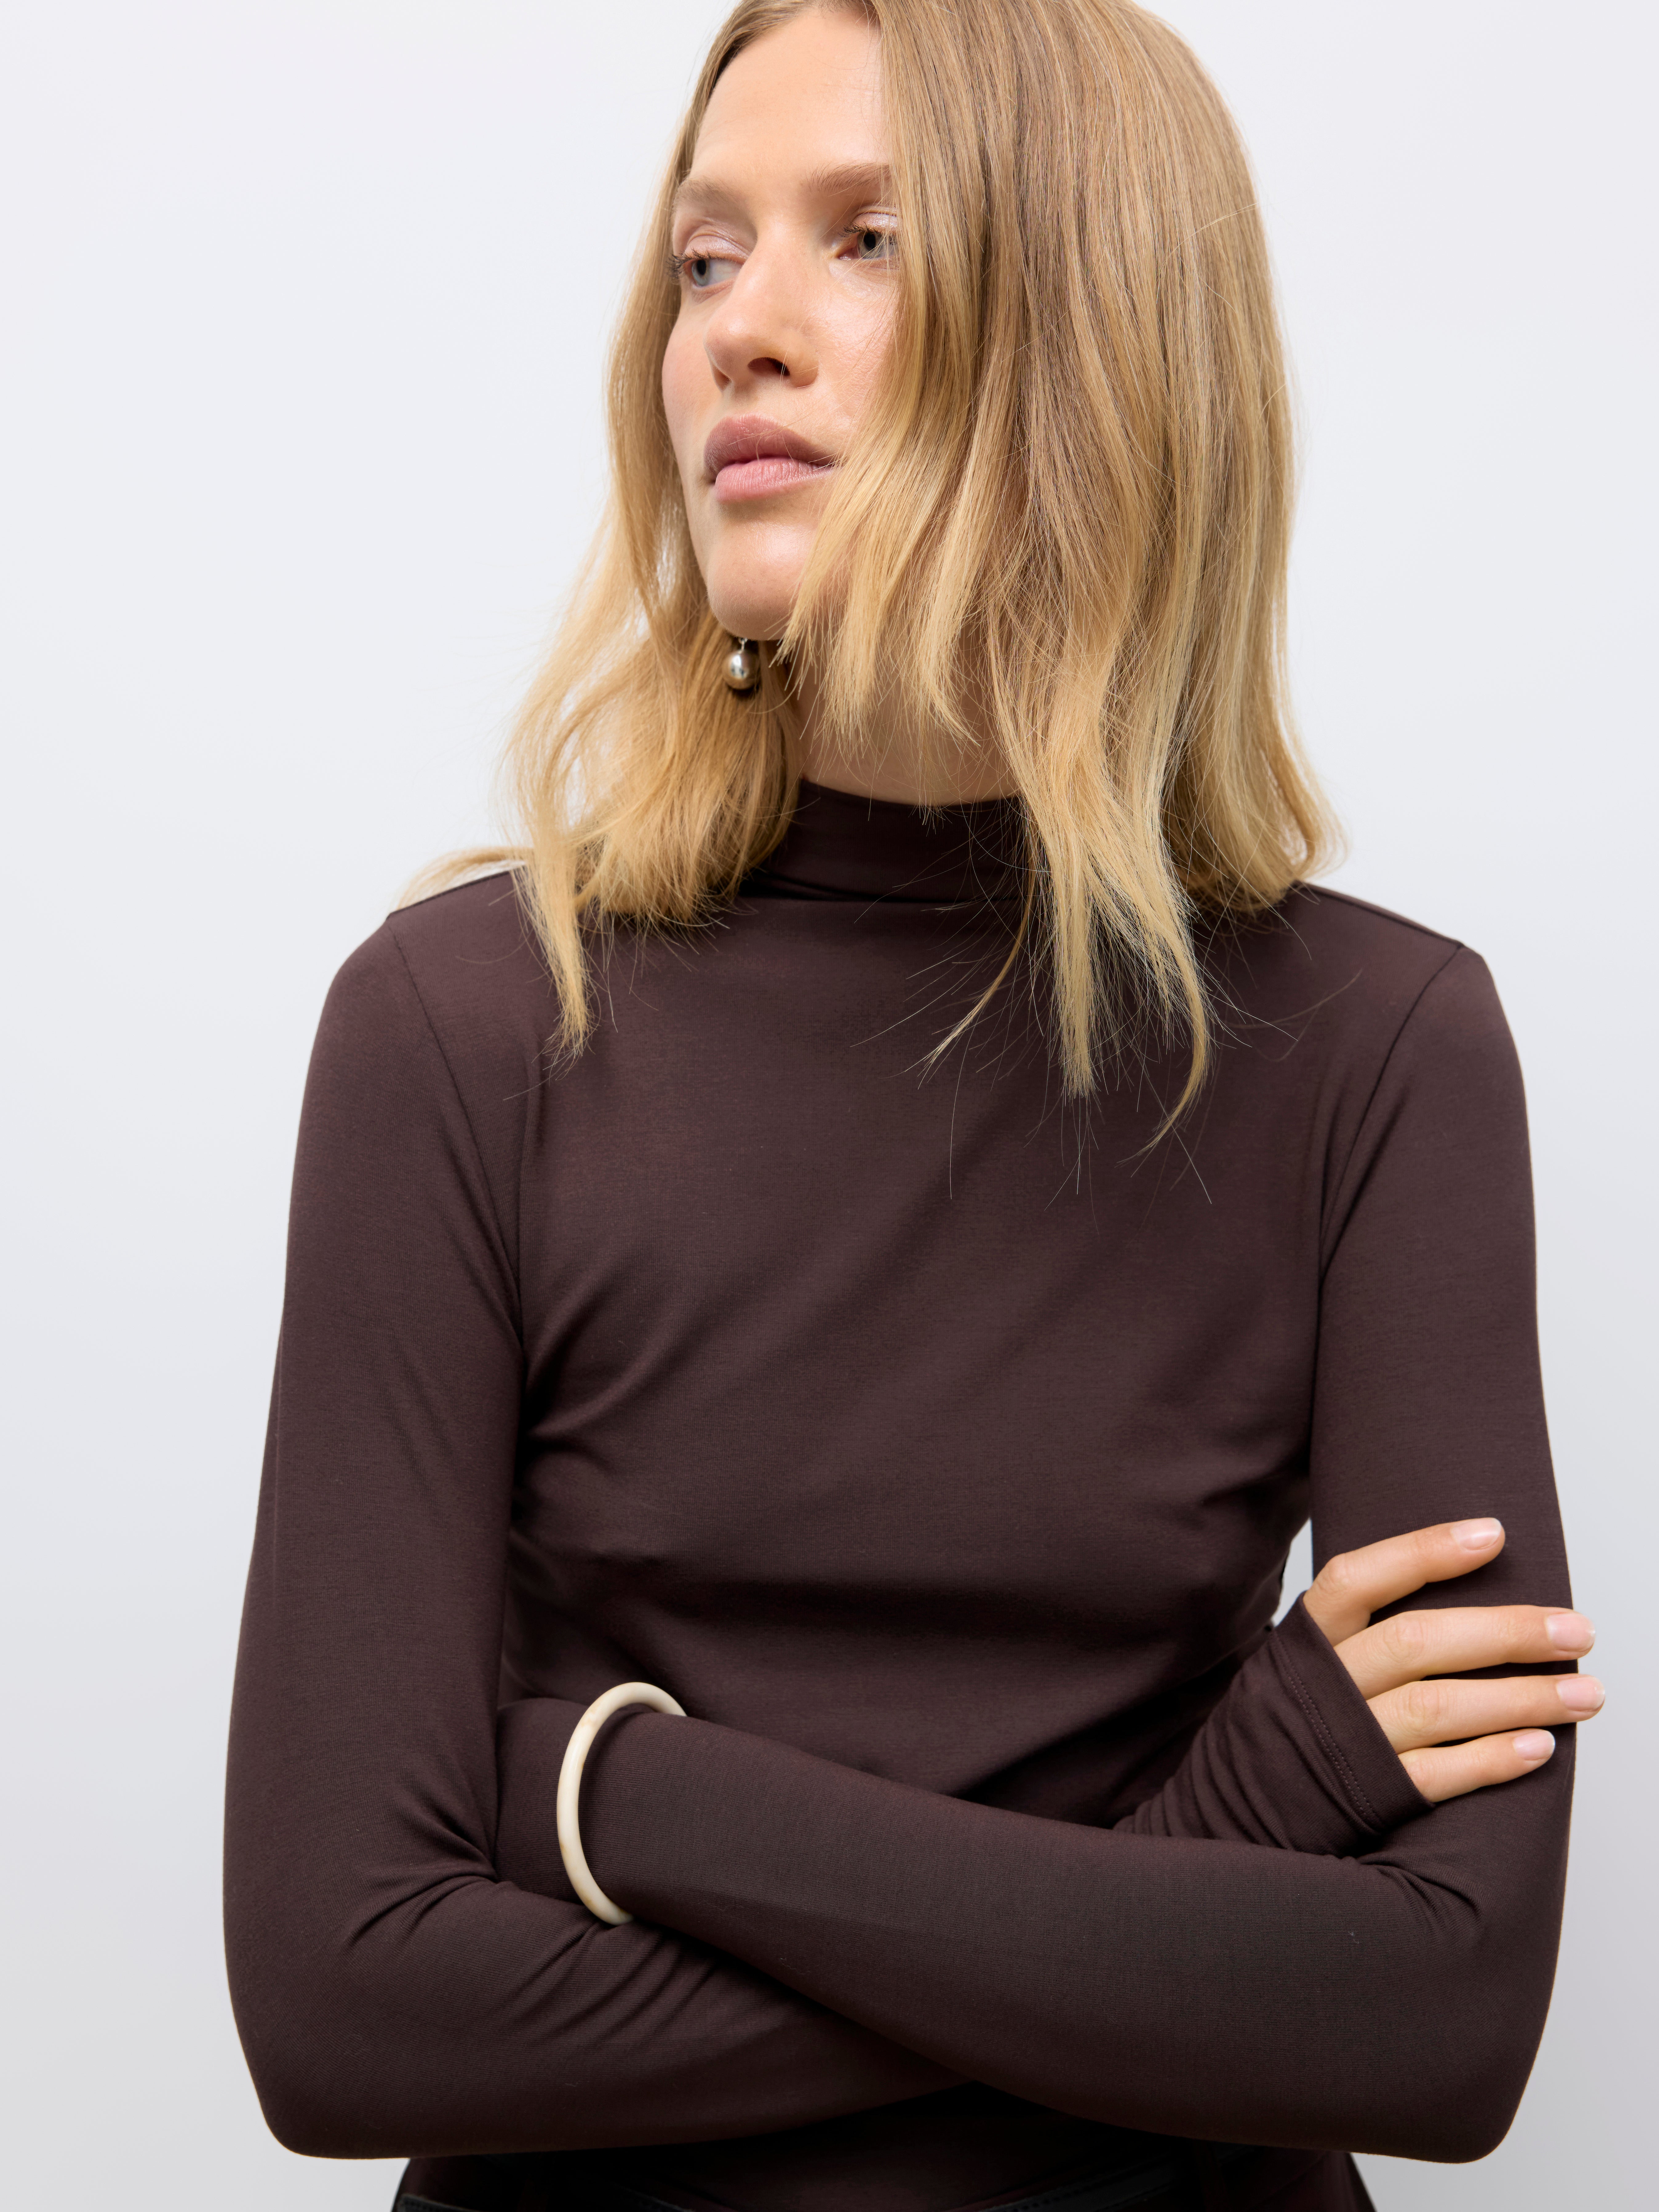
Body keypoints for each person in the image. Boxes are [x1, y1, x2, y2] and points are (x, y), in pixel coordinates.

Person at [223, 5, 1598, 2209]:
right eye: (704, 258)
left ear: (1100, 331)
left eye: (864, 240)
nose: (736, 332)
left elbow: (1434, 2021)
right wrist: (1221, 1836)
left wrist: (614, 1792)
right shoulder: (465, 1027)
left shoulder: (1376, 1050)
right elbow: (343, 2002)